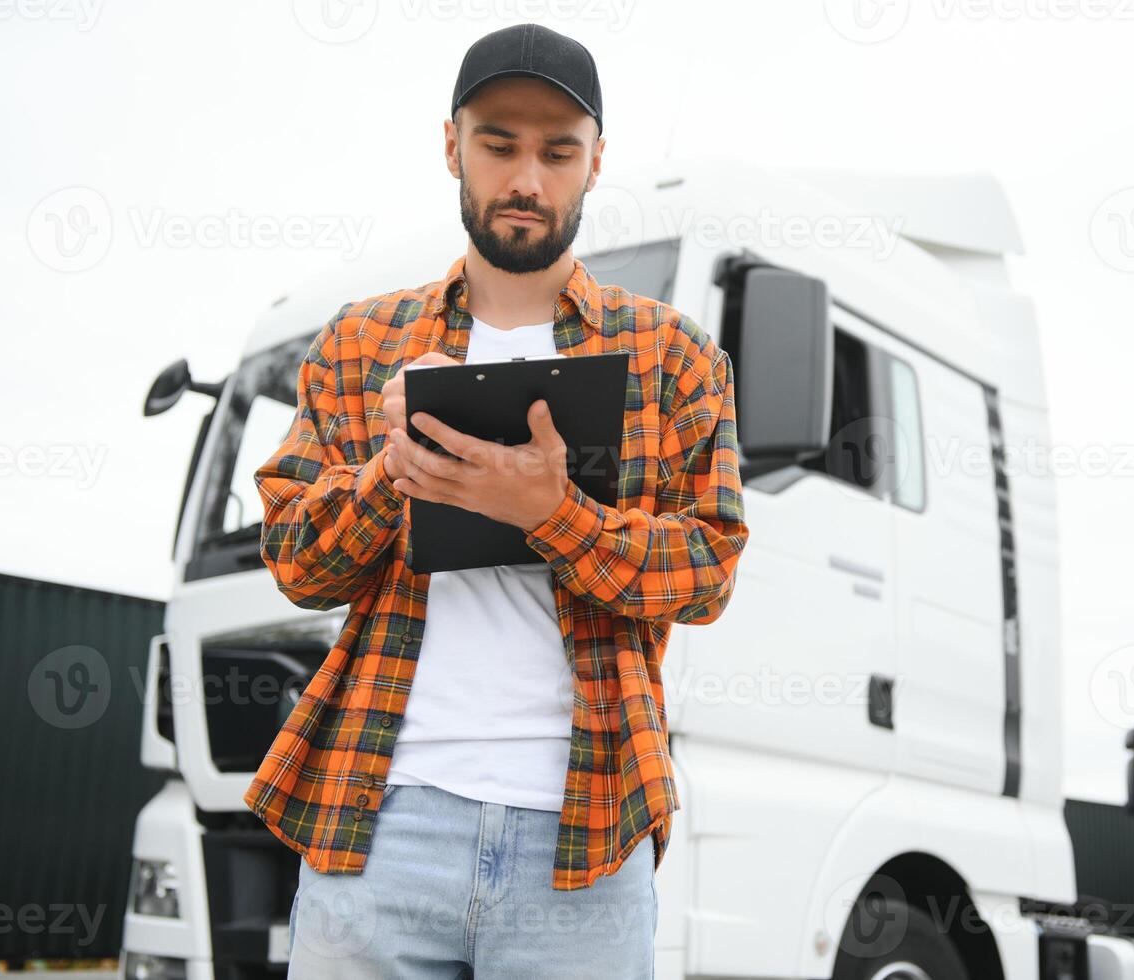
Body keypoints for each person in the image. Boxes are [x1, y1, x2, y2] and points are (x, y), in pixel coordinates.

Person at [242, 22, 751, 980]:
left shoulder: (673, 357)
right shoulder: (358, 346)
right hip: (376, 823)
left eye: (558, 151)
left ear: (596, 163)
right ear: (451, 147)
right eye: (499, 145)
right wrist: (389, 472)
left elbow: (709, 572)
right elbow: (298, 566)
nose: (527, 178)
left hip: (587, 832)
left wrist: (551, 513)